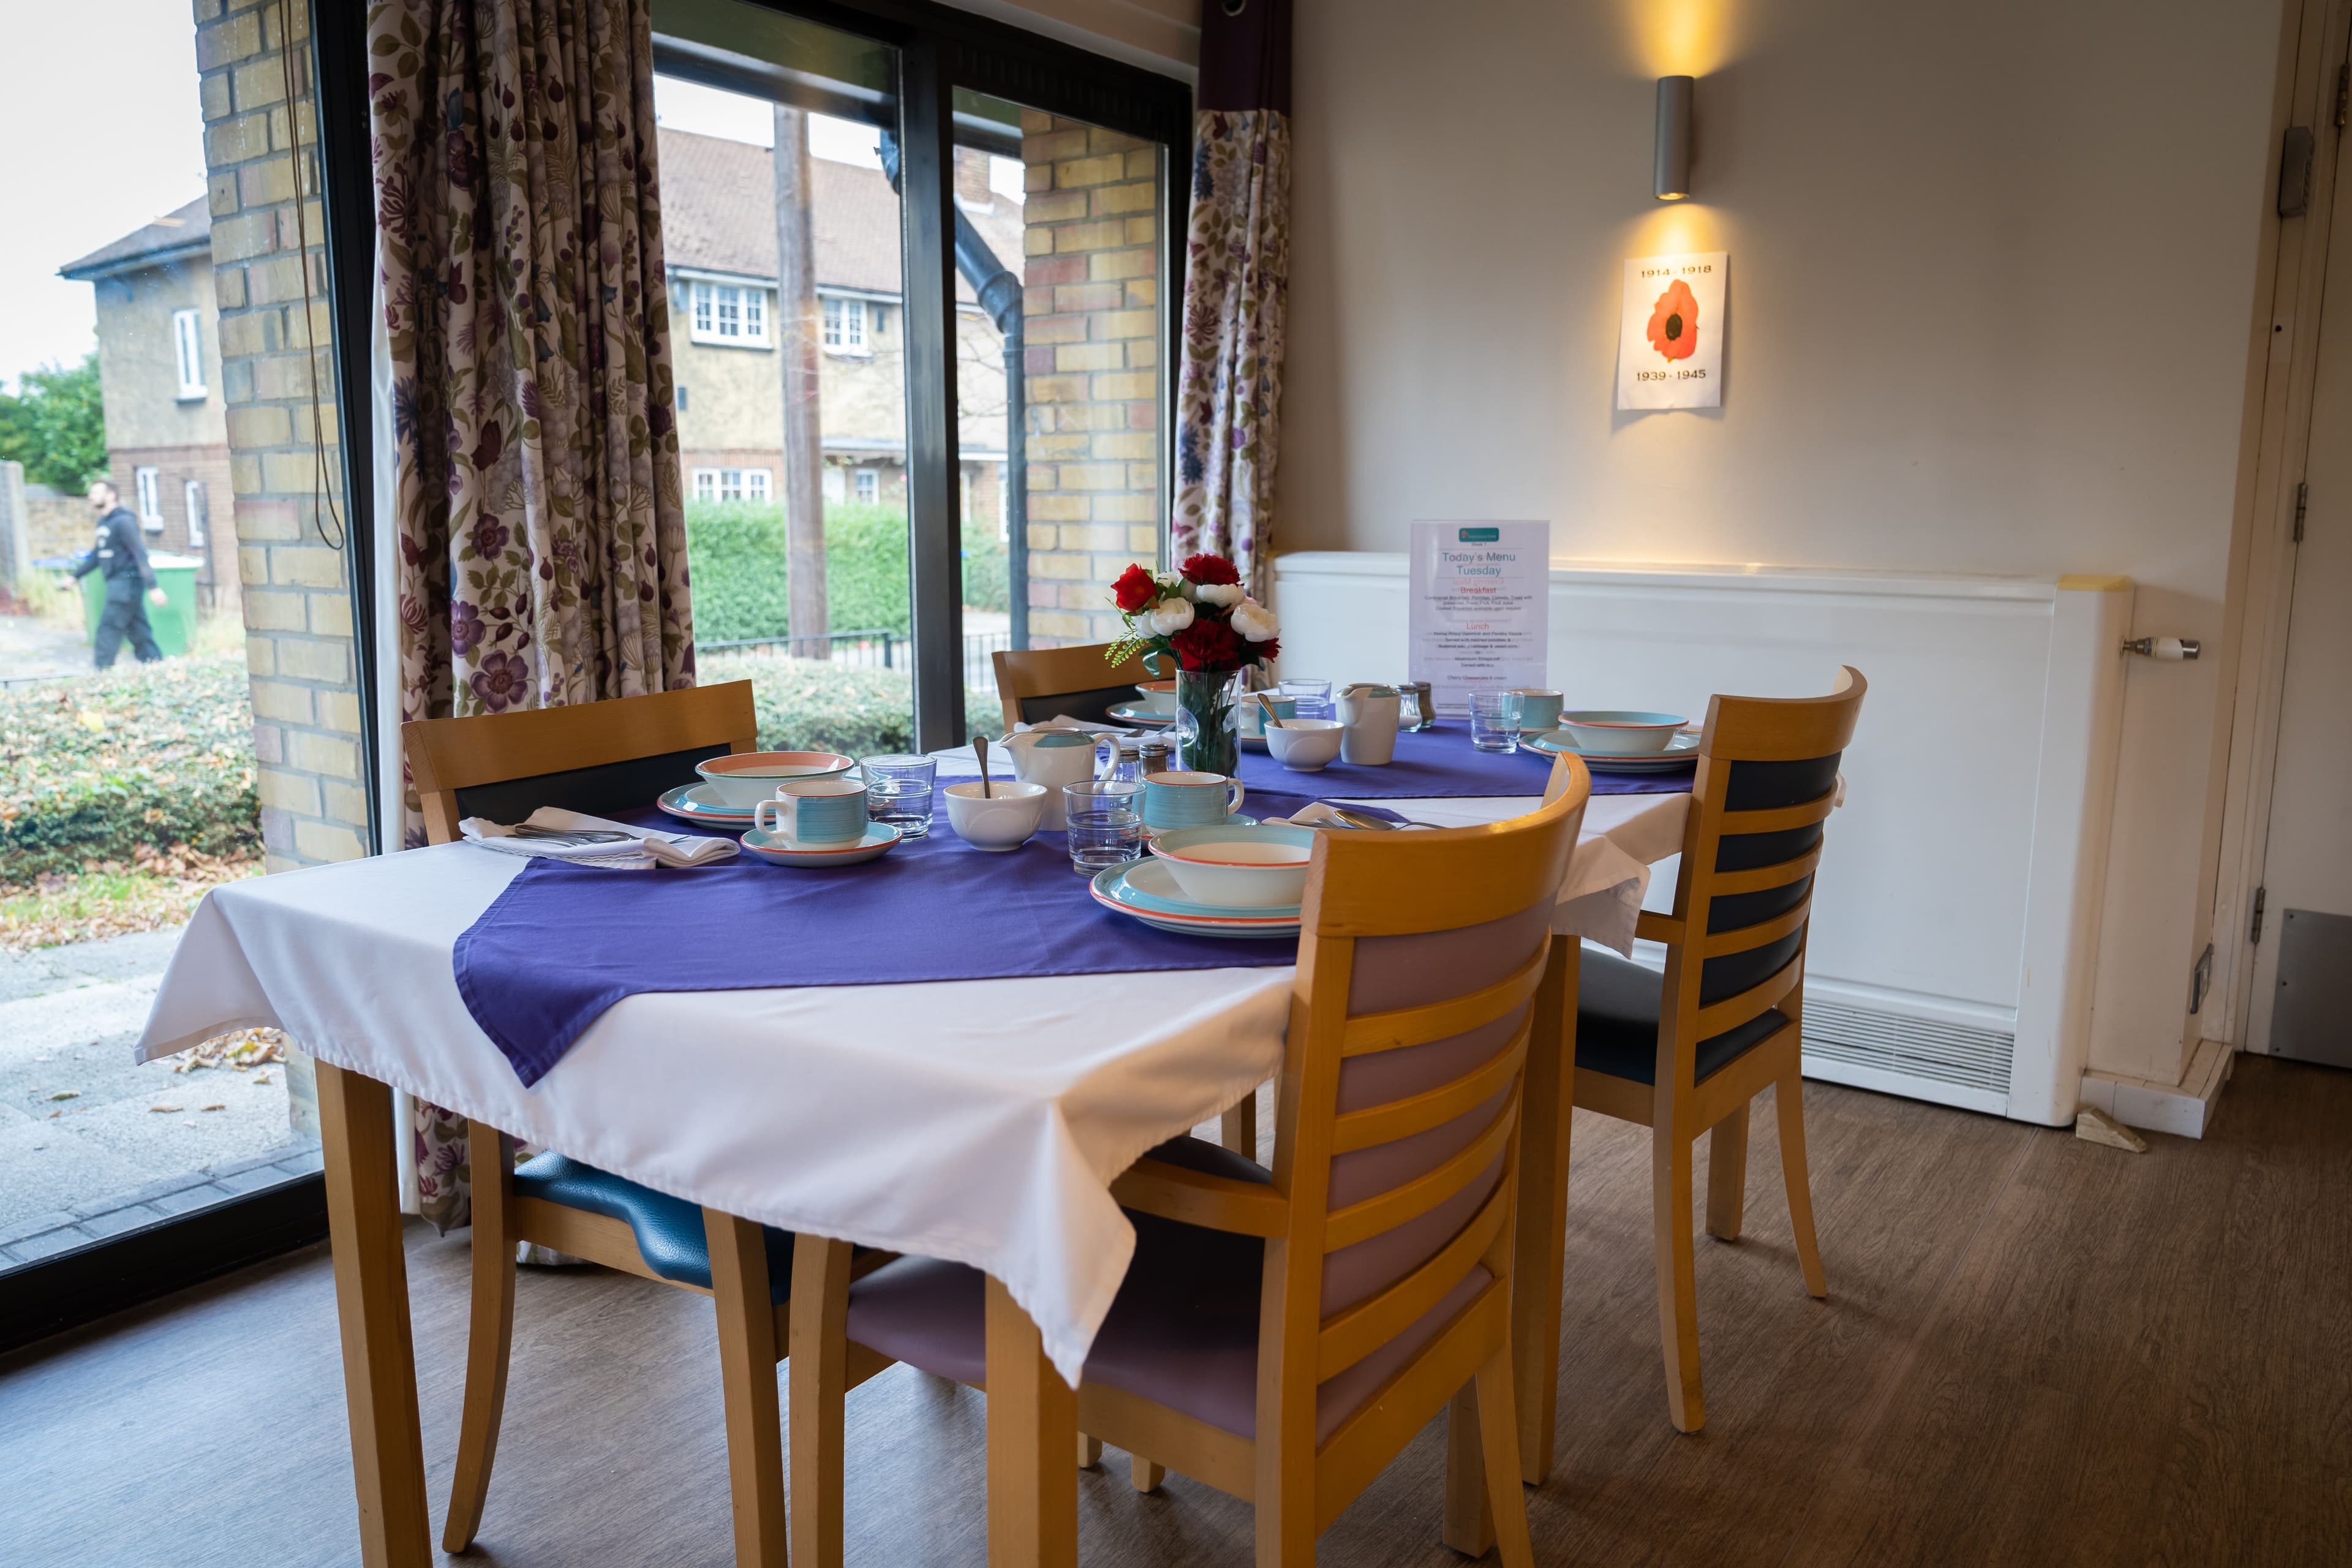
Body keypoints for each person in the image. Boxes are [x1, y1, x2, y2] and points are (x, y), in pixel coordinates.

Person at [72, 479, 168, 668]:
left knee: (109, 628)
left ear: (111, 495)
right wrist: (74, 576)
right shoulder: (104, 523)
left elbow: (139, 553)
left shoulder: (124, 521)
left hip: (126, 582)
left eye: (96, 492)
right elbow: (97, 556)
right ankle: (154, 664)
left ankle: (102, 671)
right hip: (118, 583)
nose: (91, 496)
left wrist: (153, 586)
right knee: (137, 627)